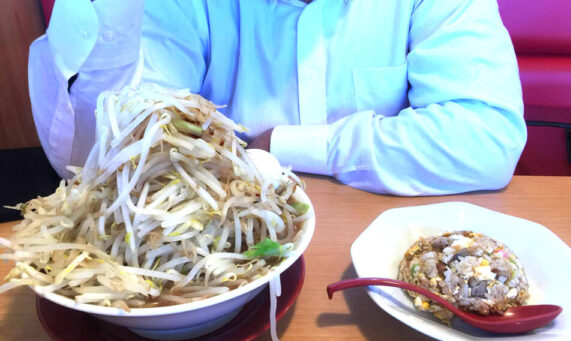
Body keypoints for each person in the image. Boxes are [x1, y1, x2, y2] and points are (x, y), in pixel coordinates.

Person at [28, 0, 526, 195]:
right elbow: (114, 149)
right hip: (216, 264)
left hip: (383, 268)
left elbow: (487, 137)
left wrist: (281, 144)